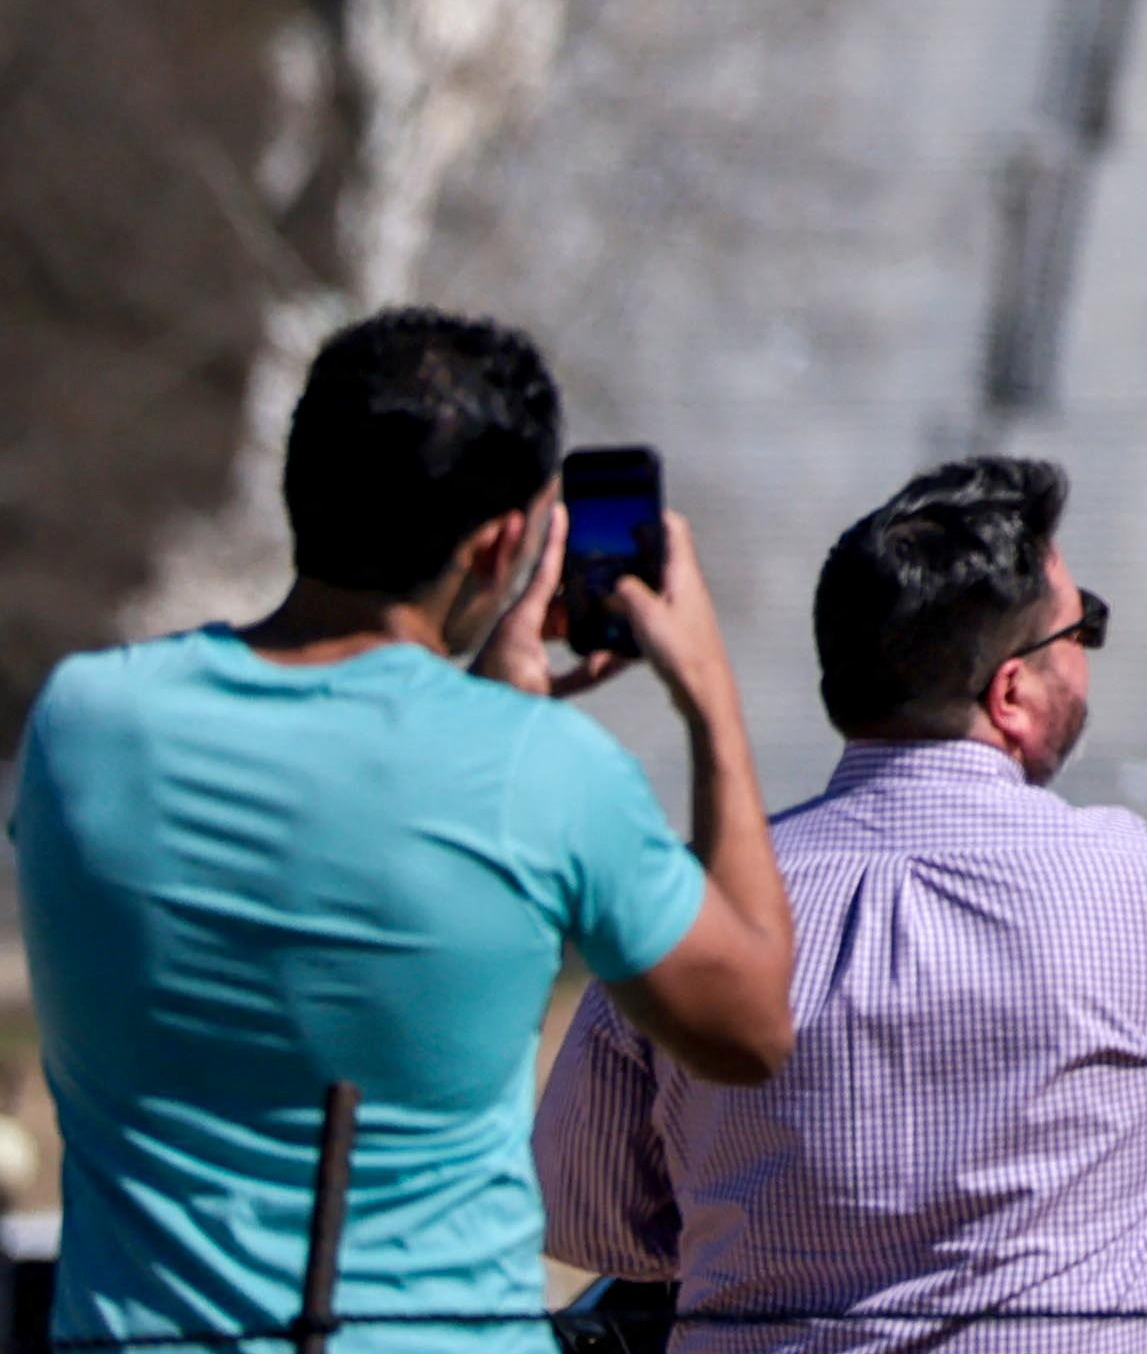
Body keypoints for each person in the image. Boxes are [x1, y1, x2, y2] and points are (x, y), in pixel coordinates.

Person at [9, 311, 796, 1354]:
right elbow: (748, 1027)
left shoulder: (82, 724)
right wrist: (707, 699)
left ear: (300, 481)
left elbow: (323, 826)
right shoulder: (539, 775)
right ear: (504, 543)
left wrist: (483, 710)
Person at [537, 455, 1147, 1354]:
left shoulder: (683, 902)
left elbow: (586, 1222)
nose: (1089, 645)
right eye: (1082, 625)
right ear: (1010, 691)